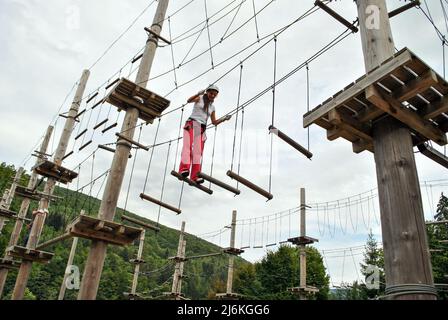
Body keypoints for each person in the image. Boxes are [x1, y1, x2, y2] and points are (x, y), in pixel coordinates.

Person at [178, 85, 231, 184]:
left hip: (201, 128)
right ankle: (184, 169)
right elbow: (188, 100)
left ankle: (195, 176)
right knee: (187, 147)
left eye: (215, 95)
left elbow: (214, 122)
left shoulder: (212, 107)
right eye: (211, 93)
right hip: (191, 124)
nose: (212, 96)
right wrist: (198, 93)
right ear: (207, 92)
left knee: (198, 153)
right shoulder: (200, 98)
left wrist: (224, 119)